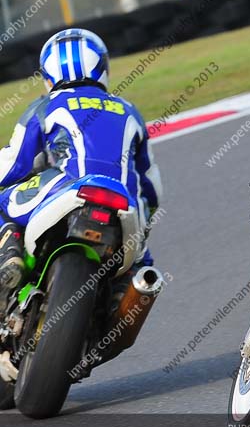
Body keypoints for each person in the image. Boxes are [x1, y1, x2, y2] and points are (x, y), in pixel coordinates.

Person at [0, 28, 162, 294]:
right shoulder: (128, 109)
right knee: (145, 268)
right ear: (102, 67)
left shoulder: (46, 106)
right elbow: (152, 188)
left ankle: (10, 257)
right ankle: (125, 297)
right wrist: (145, 216)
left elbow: (13, 165)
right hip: (125, 203)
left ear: (49, 75)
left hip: (68, 187)